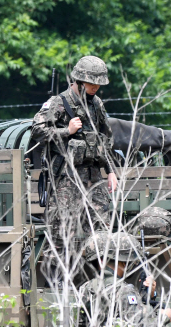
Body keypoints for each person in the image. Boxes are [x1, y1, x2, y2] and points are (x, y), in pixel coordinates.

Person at [31, 55, 117, 285]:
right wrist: (66, 131)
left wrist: (110, 170)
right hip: (66, 178)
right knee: (61, 233)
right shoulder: (58, 103)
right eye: (92, 83)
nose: (96, 87)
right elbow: (37, 132)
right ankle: (55, 285)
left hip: (92, 177)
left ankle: (102, 282)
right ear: (79, 80)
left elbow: (105, 139)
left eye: (99, 83)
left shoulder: (96, 104)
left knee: (102, 229)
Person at [79, 231, 171, 327]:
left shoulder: (85, 289)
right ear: (120, 261)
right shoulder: (125, 291)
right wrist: (164, 316)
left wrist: (148, 297)